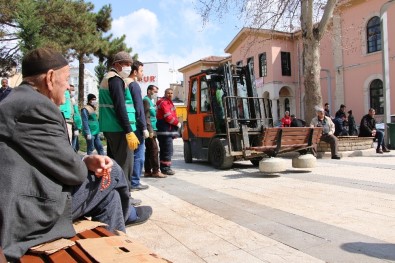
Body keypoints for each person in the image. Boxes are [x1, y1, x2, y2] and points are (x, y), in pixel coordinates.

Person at [0, 48, 152, 261]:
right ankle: (129, 216)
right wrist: (83, 163)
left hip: (22, 198)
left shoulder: (16, 100)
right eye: (65, 81)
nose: (68, 88)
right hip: (28, 214)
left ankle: (116, 251)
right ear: (51, 78)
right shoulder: (38, 107)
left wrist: (84, 159)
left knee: (111, 196)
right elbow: (73, 173)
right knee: (113, 170)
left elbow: (48, 157)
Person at [98, 51, 143, 206]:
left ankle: (114, 197)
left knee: (115, 164)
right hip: (119, 129)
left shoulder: (110, 78)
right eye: (126, 64)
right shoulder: (115, 79)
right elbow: (120, 107)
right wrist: (129, 131)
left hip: (112, 127)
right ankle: (125, 198)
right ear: (117, 64)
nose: (129, 67)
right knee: (125, 164)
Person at [124, 60, 150, 191]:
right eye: (141, 71)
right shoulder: (133, 85)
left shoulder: (123, 82)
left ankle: (130, 182)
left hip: (126, 124)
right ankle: (135, 182)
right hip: (135, 125)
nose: (142, 74)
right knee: (139, 155)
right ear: (134, 72)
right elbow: (139, 108)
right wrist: (144, 127)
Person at [143, 85, 166, 178]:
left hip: (153, 128)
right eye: (154, 91)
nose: (155, 93)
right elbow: (146, 116)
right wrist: (149, 129)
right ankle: (156, 171)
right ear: (149, 91)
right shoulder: (146, 100)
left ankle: (148, 171)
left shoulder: (151, 101)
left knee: (149, 150)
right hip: (150, 129)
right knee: (154, 149)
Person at [156, 88, 181, 175]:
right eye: (168, 93)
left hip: (165, 130)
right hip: (165, 130)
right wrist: (177, 123)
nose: (170, 95)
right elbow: (168, 116)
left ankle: (164, 167)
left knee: (165, 149)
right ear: (165, 93)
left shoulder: (168, 102)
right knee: (167, 150)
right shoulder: (165, 103)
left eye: (171, 93)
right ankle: (166, 168)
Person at [70, 84, 82, 152]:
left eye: (73, 90)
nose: (73, 91)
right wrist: (75, 127)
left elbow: (77, 114)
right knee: (73, 146)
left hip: (77, 126)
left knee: (76, 147)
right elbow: (72, 115)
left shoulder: (73, 100)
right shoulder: (68, 101)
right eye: (71, 90)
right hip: (73, 126)